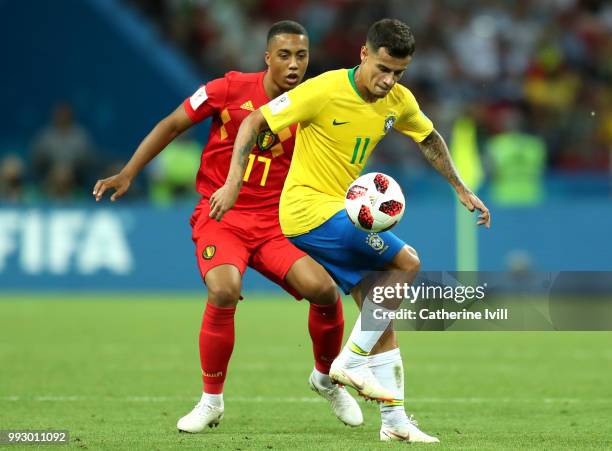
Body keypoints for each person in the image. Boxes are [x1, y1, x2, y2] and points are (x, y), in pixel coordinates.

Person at [210, 18, 491, 443]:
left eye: (398, 72)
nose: (388, 80)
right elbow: (254, 123)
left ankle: (394, 423)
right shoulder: (323, 90)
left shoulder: (398, 100)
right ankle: (346, 364)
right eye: (382, 68)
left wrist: (461, 188)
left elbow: (429, 137)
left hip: (339, 210)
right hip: (305, 209)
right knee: (407, 261)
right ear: (363, 53)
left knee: (379, 316)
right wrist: (233, 181)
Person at [92, 20, 362, 433]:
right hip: (224, 217)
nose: (294, 65)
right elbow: (172, 124)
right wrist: (129, 172)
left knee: (324, 291)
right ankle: (211, 401)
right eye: (285, 55)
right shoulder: (228, 89)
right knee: (223, 289)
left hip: (278, 223)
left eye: (302, 56)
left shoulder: (315, 102)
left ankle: (325, 378)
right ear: (267, 57)